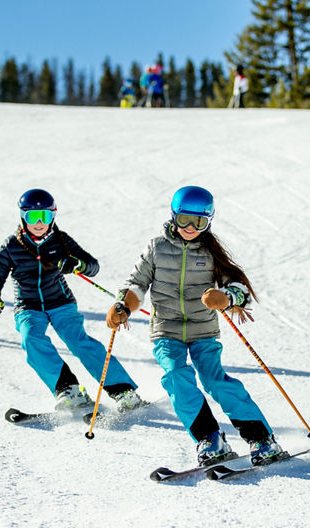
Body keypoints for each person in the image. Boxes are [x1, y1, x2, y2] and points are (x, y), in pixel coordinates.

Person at [106, 185, 285, 467]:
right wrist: (123, 305)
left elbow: (240, 288)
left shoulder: (211, 252)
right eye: (184, 220)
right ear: (173, 217)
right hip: (166, 329)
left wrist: (225, 297)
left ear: (208, 222)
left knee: (215, 381)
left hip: (203, 329)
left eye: (199, 222)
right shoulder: (157, 248)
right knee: (176, 377)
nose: (190, 227)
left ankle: (262, 438)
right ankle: (210, 438)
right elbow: (136, 283)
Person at [0, 189, 143, 413]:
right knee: (31, 339)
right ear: (22, 217)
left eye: (45, 217)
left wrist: (76, 264)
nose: (39, 223)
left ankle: (123, 391)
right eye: (32, 217)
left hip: (60, 302)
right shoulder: (12, 245)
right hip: (28, 306)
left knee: (78, 341)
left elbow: (93, 265)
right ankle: (68, 390)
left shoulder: (61, 241)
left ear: (53, 217)